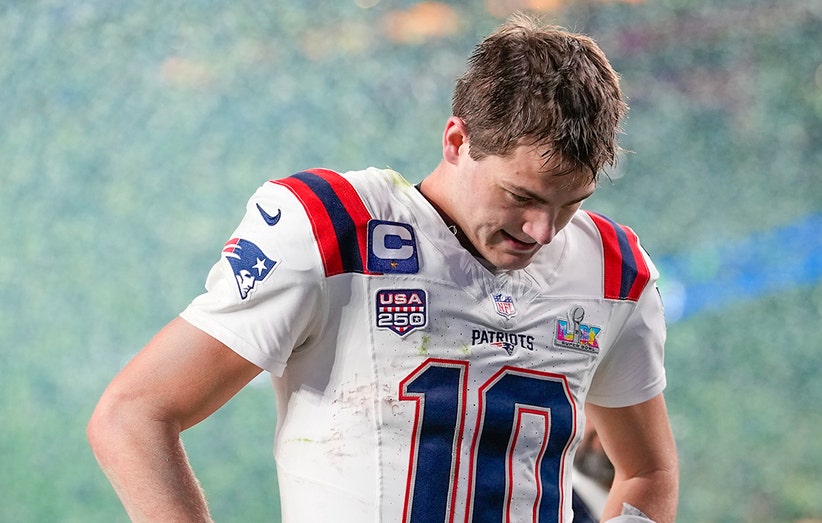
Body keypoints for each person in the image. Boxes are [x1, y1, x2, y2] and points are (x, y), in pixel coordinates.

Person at [87, 13, 678, 523]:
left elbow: (647, 471)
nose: (543, 231)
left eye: (572, 203)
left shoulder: (613, 271)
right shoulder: (332, 230)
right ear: (456, 141)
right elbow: (132, 415)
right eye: (521, 197)